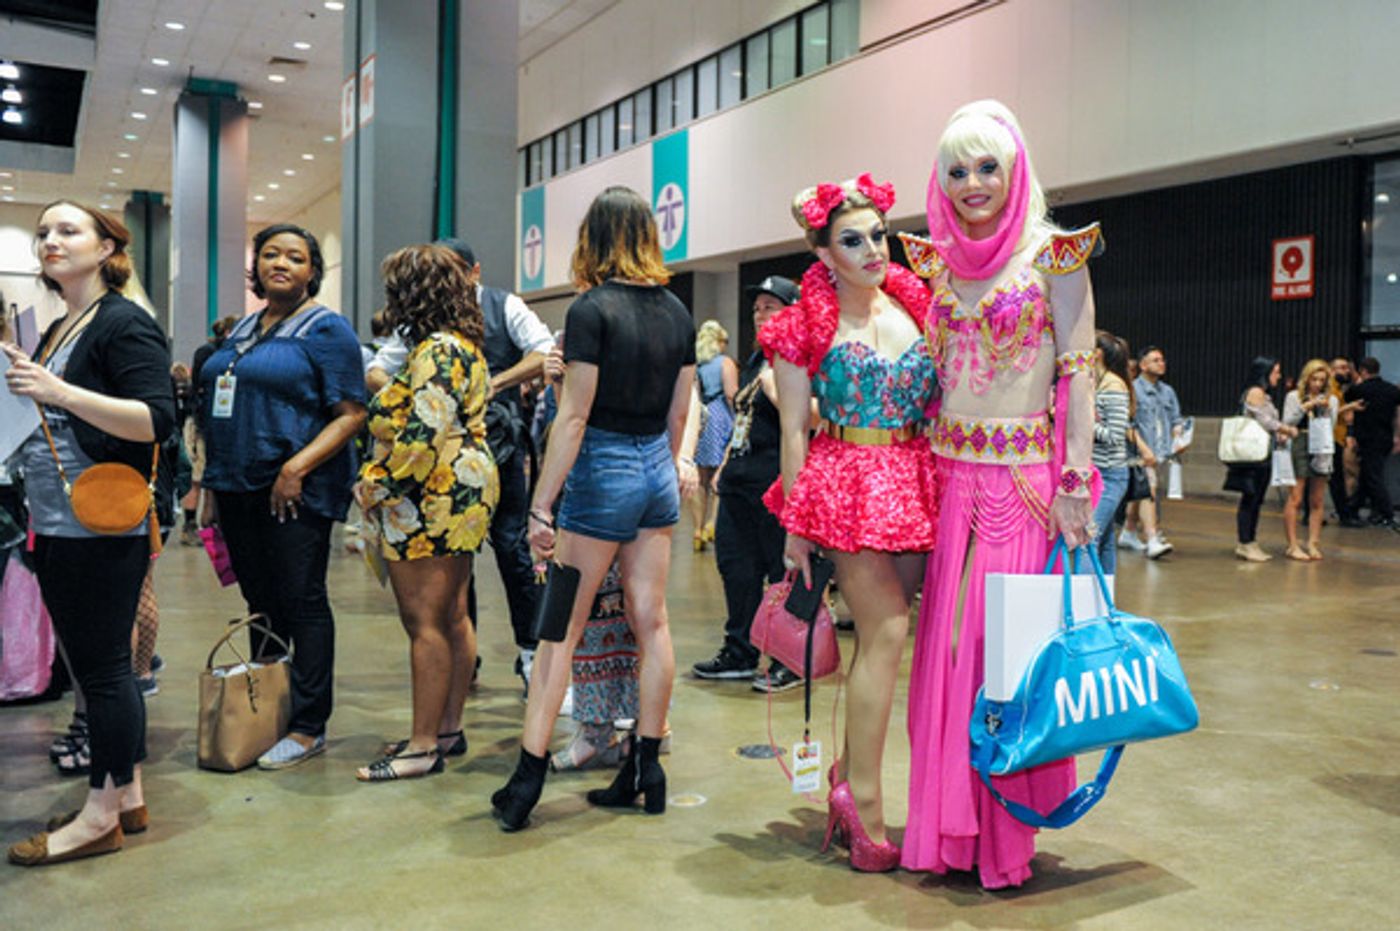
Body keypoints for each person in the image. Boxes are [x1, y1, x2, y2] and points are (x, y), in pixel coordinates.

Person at [901, 100, 1097, 888]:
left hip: (1025, 486)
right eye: (956, 169)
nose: (972, 183)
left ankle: (1002, 839)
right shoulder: (936, 264)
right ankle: (949, 830)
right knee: (946, 657)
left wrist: (1078, 479)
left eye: (987, 167)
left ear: (1015, 171)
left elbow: (1080, 370)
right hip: (952, 487)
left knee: (1007, 658)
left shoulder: (1054, 256)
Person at [491, 185, 695, 831]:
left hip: (603, 471)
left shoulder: (590, 310)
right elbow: (680, 414)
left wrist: (541, 505)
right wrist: (663, 470)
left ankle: (525, 780)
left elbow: (573, 417)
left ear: (593, 237)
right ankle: (647, 763)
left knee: (560, 632)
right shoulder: (678, 312)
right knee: (652, 621)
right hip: (655, 473)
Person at [762, 173, 940, 872]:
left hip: (918, 477)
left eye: (878, 235)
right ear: (822, 252)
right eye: (851, 239)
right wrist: (795, 523)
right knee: (887, 630)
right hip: (848, 482)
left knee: (894, 636)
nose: (871, 249)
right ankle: (864, 801)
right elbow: (794, 431)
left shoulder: (915, 305)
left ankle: (844, 772)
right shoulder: (803, 324)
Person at [5, 201, 175, 865]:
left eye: (68, 230)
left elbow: (154, 418)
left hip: (98, 523)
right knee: (98, 669)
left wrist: (59, 391)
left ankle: (99, 812)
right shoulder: (62, 326)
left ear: (108, 248)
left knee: (104, 672)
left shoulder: (123, 322)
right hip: (59, 518)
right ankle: (125, 792)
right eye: (44, 231)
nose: (51, 239)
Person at [198, 224, 367, 769]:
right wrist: (207, 482)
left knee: (302, 601)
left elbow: (352, 415)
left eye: (295, 257)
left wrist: (296, 466)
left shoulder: (326, 330)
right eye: (271, 254)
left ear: (312, 270)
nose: (281, 263)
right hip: (236, 485)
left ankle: (308, 724)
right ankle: (267, 708)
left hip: (294, 491)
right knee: (260, 603)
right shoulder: (245, 327)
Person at [368, 239, 551, 695]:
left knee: (511, 552)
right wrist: (406, 392)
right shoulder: (422, 334)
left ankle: (530, 653)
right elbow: (376, 369)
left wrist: (492, 384)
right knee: (453, 574)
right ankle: (459, 667)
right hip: (444, 465)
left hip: (488, 450)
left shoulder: (494, 310)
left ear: (472, 272)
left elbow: (545, 354)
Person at [353, 244, 497, 780]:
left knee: (425, 621)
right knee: (453, 615)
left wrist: (377, 484)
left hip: (432, 492)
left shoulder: (435, 349)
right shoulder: (463, 344)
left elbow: (422, 436)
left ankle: (420, 746)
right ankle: (446, 729)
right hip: (460, 487)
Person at [692, 275, 802, 688]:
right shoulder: (757, 359)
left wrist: (778, 391)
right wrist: (722, 465)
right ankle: (740, 651)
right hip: (738, 484)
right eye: (756, 309)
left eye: (769, 307)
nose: (760, 315)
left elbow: (811, 417)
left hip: (775, 487)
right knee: (736, 569)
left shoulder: (800, 358)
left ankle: (787, 659)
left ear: (791, 312)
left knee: (781, 575)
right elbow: (743, 419)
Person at [1227, 357, 1294, 561]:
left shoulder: (1266, 395)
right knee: (1251, 498)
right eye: (1276, 372)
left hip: (1263, 453)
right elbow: (1264, 420)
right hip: (1253, 455)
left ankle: (1250, 541)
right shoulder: (1255, 393)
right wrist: (1285, 429)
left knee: (1255, 499)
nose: (1279, 376)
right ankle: (1245, 542)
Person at [1121, 345, 1184, 558]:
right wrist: (1143, 449)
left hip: (1162, 451)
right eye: (1156, 360)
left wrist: (1179, 435)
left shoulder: (1168, 391)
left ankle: (1129, 531)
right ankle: (1152, 537)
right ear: (1143, 365)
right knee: (1149, 491)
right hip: (1141, 451)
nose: (1161, 363)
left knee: (1140, 493)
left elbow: (1176, 419)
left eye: (1162, 359)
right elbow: (1127, 424)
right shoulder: (1133, 390)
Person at [1281, 359, 1343, 560]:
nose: (1317, 384)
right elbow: (1286, 421)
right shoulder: (1293, 396)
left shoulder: (1331, 399)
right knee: (1296, 496)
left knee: (1317, 498)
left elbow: (1331, 425)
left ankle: (1313, 542)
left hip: (1321, 442)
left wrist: (1325, 408)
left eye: (1321, 380)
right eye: (1313, 379)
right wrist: (1305, 406)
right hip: (1299, 439)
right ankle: (1292, 544)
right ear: (1306, 379)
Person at [688, 320, 738, 551]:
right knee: (720, 473)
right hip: (720, 416)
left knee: (700, 478)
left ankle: (697, 529)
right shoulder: (724, 363)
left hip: (702, 417)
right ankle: (712, 524)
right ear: (719, 341)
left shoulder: (697, 365)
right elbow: (731, 394)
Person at [1087, 331, 1133, 574]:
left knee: (1088, 538)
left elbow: (1115, 435)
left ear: (1098, 354)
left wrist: (1082, 420)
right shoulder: (1100, 383)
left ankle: (1082, 604)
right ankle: (1103, 600)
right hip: (1098, 473)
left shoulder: (1114, 387)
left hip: (1110, 475)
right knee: (1104, 541)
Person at [1343, 356, 1400, 531]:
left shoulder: (1360, 390)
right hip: (1385, 438)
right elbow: (1397, 415)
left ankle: (1387, 513)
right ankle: (1353, 507)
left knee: (1373, 477)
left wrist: (1354, 377)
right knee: (1368, 475)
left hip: (1367, 439)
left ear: (1363, 371)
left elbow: (1346, 396)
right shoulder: (1392, 390)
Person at [1328, 357, 1361, 526]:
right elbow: (1331, 411)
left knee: (1334, 477)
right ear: (1332, 370)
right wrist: (1350, 407)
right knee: (1336, 478)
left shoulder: (1340, 390)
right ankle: (1344, 515)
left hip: (1338, 437)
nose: (1346, 371)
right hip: (1330, 437)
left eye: (1347, 368)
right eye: (1342, 368)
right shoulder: (1330, 388)